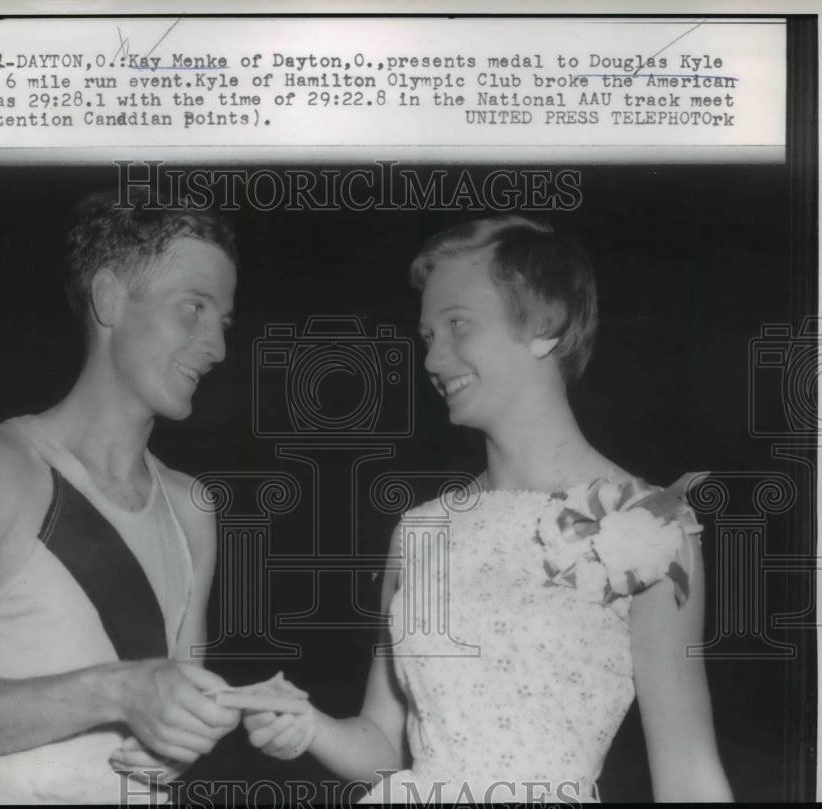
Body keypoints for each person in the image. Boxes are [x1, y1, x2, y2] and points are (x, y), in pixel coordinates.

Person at [231, 216, 734, 803]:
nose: (433, 360)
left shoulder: (649, 525)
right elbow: (384, 746)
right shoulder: (421, 530)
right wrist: (307, 727)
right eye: (427, 337)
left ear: (545, 324)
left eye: (458, 326)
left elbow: (688, 769)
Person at [0, 193, 242, 804]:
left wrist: (188, 730)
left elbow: (166, 736)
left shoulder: (192, 508)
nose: (217, 346)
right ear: (109, 298)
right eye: (194, 308)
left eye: (223, 321)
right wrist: (119, 691)